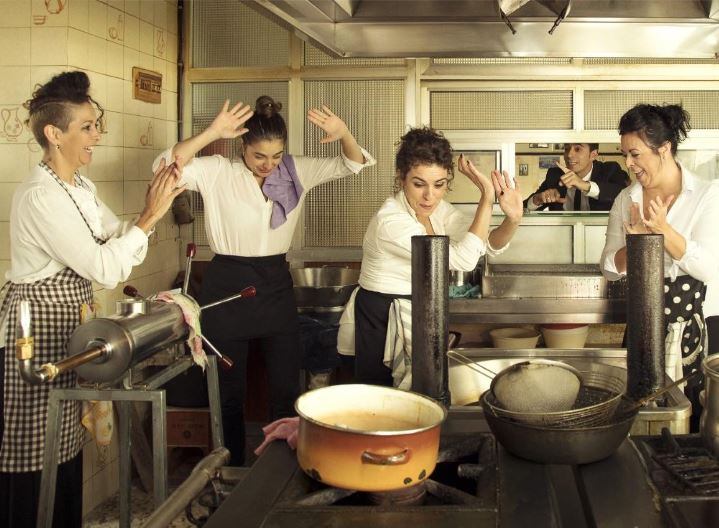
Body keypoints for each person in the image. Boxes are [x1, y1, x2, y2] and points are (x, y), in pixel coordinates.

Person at [0, 71, 182, 527]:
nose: (95, 135)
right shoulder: (41, 196)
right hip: (34, 334)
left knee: (63, 449)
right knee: (31, 458)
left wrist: (148, 213)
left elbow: (116, 237)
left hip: (68, 331)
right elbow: (103, 267)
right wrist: (148, 217)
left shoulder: (80, 188)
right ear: (54, 134)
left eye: (95, 124)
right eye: (86, 126)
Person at [154, 96, 375, 466]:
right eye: (260, 156)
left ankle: (279, 471)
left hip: (275, 284)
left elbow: (352, 163)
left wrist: (345, 133)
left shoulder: (294, 170)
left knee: (286, 386)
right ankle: (230, 470)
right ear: (243, 147)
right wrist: (210, 133)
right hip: (226, 286)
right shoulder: (217, 170)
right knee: (228, 392)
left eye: (276, 156)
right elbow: (164, 164)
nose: (269, 165)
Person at [351, 127, 523, 386]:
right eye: (419, 184)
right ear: (401, 178)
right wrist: (486, 199)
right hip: (382, 316)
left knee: (423, 397)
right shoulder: (391, 221)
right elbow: (464, 260)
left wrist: (513, 219)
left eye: (439, 184)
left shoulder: (438, 210)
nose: (429, 195)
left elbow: (483, 244)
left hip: (422, 309)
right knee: (382, 401)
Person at [600, 103, 719, 428]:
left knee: (693, 421)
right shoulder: (627, 199)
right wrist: (635, 245)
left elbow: (710, 268)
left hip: (695, 331)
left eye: (635, 154)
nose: (628, 163)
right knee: (639, 418)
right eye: (625, 154)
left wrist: (664, 232)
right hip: (643, 324)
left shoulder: (707, 195)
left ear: (664, 148)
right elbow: (609, 267)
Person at [524, 143, 629, 211]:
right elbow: (524, 207)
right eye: (566, 149)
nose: (569, 155)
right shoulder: (554, 175)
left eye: (577, 149)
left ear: (593, 155)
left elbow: (622, 195)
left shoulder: (609, 169)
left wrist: (584, 185)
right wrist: (537, 199)